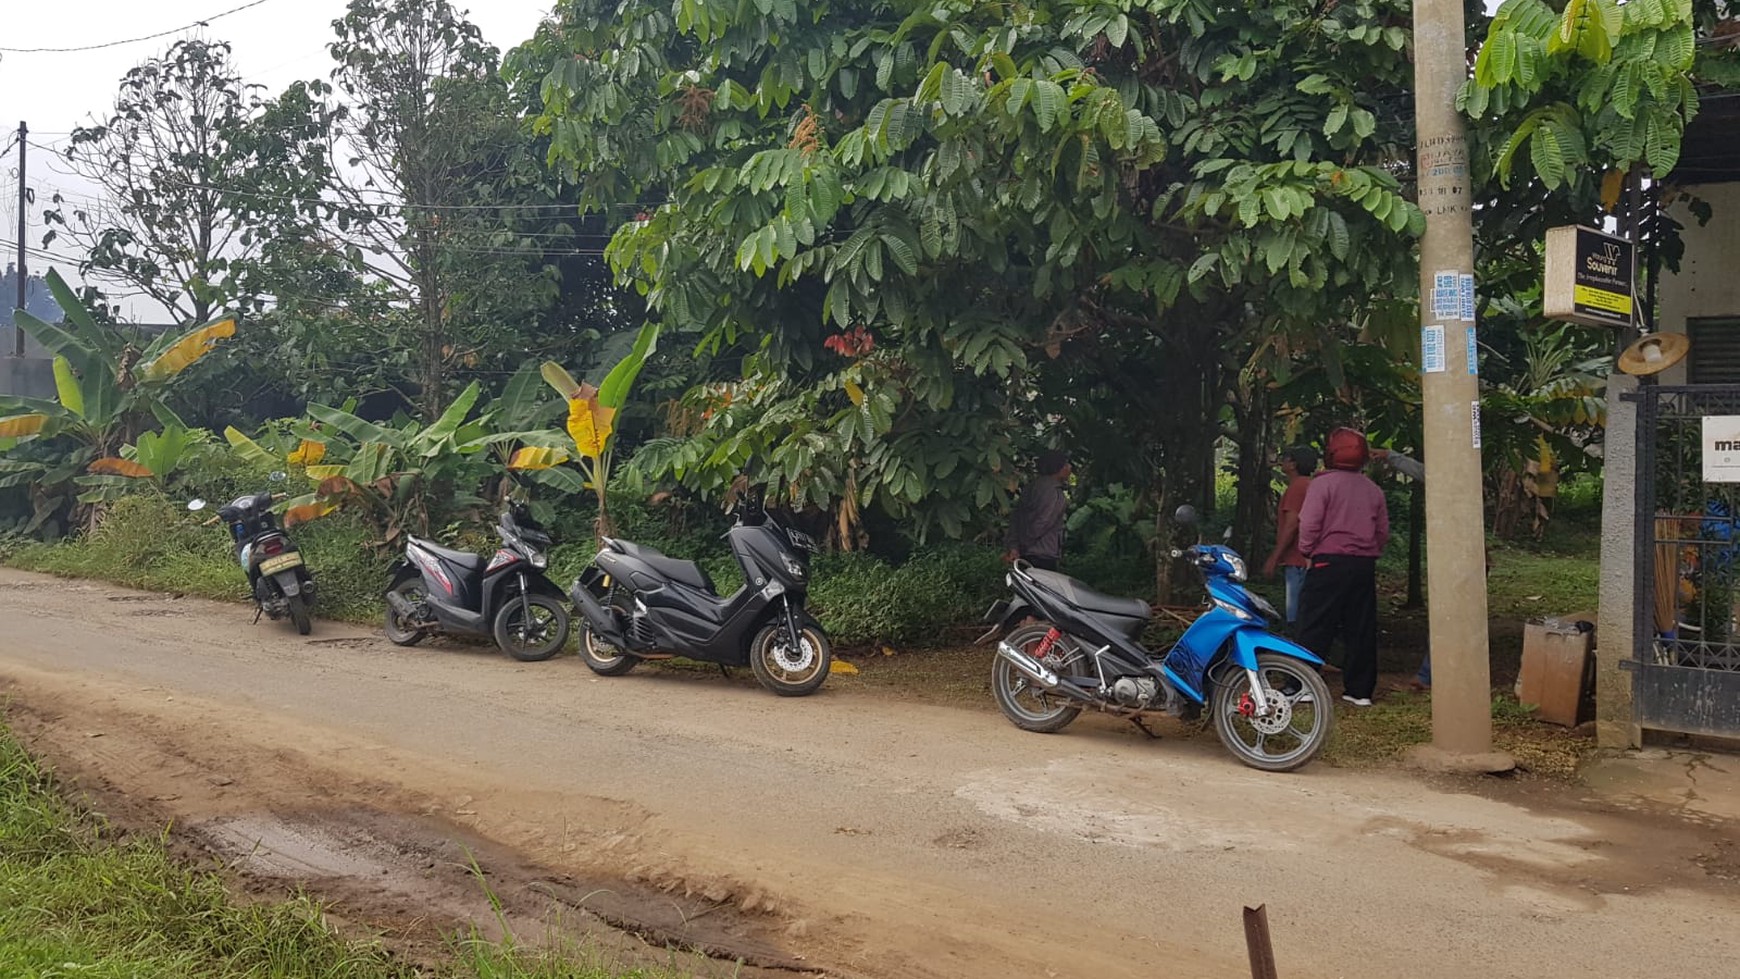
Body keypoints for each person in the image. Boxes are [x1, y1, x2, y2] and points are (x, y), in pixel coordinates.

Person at [1297, 428, 1390, 707]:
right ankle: (1359, 691)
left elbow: (1310, 523)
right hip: (1363, 564)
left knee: (1313, 624)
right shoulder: (1373, 489)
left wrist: (1306, 551)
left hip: (1327, 560)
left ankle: (1302, 684)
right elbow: (1382, 531)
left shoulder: (1322, 485)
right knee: (1360, 627)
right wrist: (1368, 552)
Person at [1263, 446, 1319, 627]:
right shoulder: (1309, 485)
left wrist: (1274, 557)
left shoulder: (1297, 487)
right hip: (1307, 559)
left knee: (1295, 616)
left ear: (1293, 464)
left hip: (1297, 560)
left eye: (1285, 458)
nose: (1281, 461)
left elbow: (1291, 525)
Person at [1004, 449, 1070, 571]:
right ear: (1059, 468)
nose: (1069, 468)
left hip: (1024, 553)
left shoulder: (1031, 487)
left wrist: (1014, 547)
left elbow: (1016, 518)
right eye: (1066, 464)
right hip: (1041, 555)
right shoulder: (1055, 492)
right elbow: (1043, 522)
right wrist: (1024, 545)